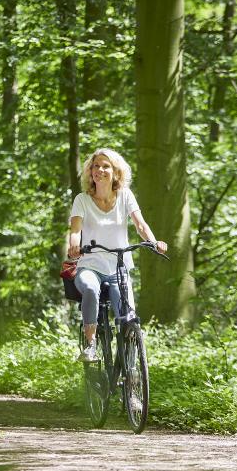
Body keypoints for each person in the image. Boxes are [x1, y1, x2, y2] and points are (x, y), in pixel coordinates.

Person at [67, 148, 167, 362]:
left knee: (128, 318)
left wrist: (153, 242)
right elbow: (75, 230)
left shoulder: (125, 196)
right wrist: (74, 246)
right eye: (96, 166)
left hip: (118, 268)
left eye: (106, 166)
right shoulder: (82, 199)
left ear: (115, 172)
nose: (100, 170)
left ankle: (131, 372)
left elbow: (140, 225)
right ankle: (91, 344)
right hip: (90, 266)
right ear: (90, 171)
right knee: (90, 288)